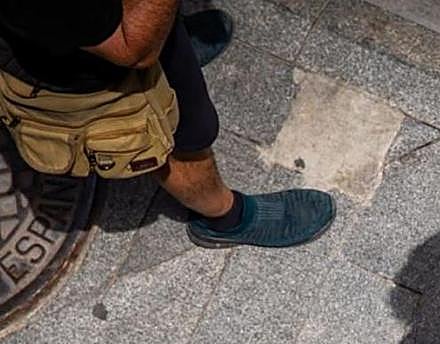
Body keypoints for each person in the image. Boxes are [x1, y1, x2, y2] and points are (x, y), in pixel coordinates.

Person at [0, 0, 334, 248]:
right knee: (181, 136)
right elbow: (133, 50)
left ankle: (172, 36)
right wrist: (148, 30)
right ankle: (225, 218)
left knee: (157, 34)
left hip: (85, 29)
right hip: (91, 66)